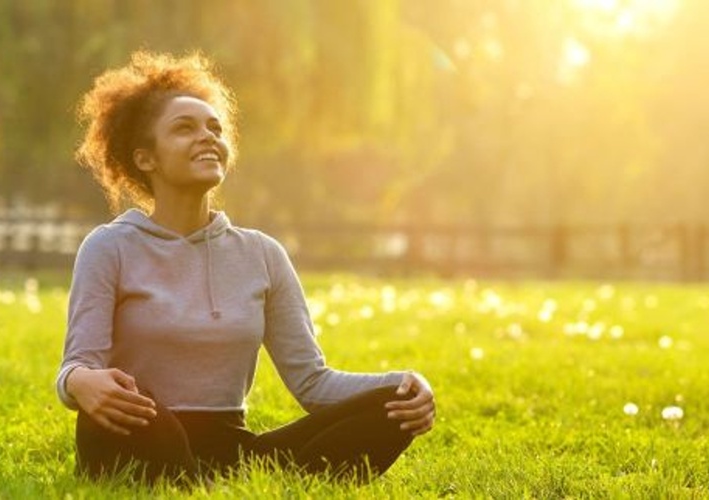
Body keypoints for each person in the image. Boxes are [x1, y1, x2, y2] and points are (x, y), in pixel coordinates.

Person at [56, 51, 435, 485]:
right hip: (136, 431)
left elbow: (312, 382)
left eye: (214, 128)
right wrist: (78, 383)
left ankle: (200, 481)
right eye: (185, 128)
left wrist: (408, 382)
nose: (207, 137)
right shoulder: (109, 247)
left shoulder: (262, 254)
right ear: (146, 159)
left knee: (392, 404)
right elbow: (78, 366)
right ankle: (190, 478)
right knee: (144, 411)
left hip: (230, 448)